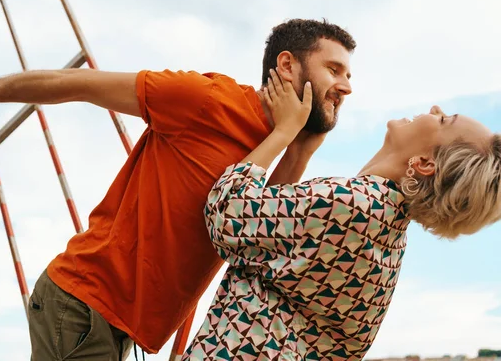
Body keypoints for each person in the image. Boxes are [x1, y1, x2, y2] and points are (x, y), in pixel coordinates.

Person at [0, 19, 356, 360]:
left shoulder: (278, 143)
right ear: (286, 66)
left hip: (119, 327)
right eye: (333, 69)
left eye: (349, 75)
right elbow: (79, 84)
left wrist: (302, 145)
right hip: (83, 302)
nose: (347, 86)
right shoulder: (207, 98)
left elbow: (251, 226)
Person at [183, 73, 501, 360]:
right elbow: (262, 236)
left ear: (425, 163)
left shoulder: (352, 205)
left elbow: (227, 215)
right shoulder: (382, 226)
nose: (434, 109)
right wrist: (300, 151)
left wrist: (284, 131)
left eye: (444, 120)